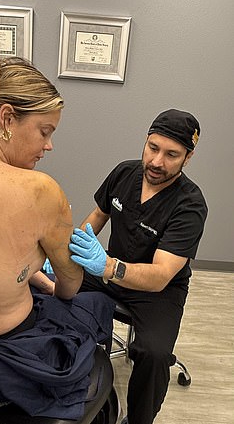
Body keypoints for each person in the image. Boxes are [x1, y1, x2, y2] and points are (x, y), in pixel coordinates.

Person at [0, 45, 115, 420]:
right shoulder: (38, 189)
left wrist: (25, 273)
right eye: (45, 131)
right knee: (95, 305)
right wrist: (52, 275)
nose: (49, 145)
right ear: (8, 118)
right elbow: (69, 286)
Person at [68, 109, 208, 424]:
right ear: (145, 142)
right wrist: (71, 252)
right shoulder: (124, 174)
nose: (157, 161)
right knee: (60, 297)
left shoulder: (190, 205)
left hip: (158, 291)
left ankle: (139, 418)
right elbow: (97, 217)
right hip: (109, 269)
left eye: (172, 154)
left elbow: (159, 276)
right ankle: (79, 387)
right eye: (153, 148)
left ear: (188, 157)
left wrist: (107, 267)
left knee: (154, 354)